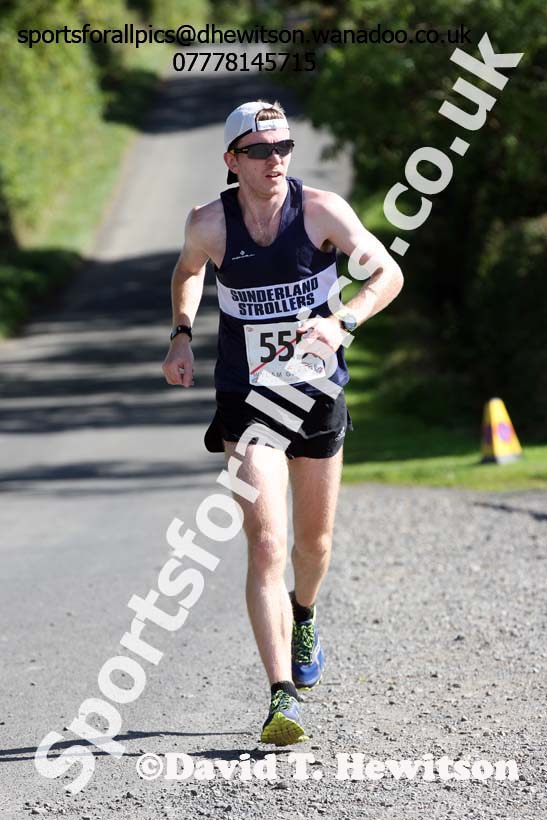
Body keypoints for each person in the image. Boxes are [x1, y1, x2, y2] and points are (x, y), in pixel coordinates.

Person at [162, 100, 403, 745]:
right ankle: (280, 697)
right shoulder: (209, 224)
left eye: (284, 147)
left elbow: (387, 270)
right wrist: (182, 334)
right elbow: (187, 273)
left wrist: (342, 318)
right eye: (261, 149)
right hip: (248, 403)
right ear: (232, 160)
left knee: (312, 548)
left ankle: (305, 613)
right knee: (266, 542)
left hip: (318, 396)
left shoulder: (321, 210)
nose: (276, 159)